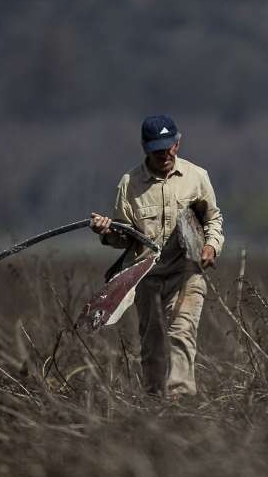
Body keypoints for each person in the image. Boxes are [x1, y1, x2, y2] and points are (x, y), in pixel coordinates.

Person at [90, 115, 224, 397]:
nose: (165, 154)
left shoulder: (196, 177)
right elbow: (123, 236)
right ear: (145, 147)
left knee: (181, 334)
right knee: (152, 344)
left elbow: (213, 220)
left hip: (185, 273)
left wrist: (211, 246)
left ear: (178, 143)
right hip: (146, 278)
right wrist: (106, 230)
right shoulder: (129, 184)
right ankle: (154, 402)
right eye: (157, 149)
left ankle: (180, 402)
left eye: (169, 147)